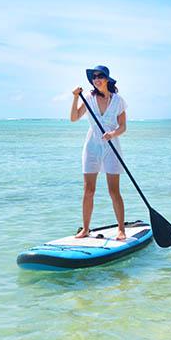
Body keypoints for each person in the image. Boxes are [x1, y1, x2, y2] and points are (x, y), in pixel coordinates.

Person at [70, 65, 128, 240]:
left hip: (111, 146)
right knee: (88, 190)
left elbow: (123, 126)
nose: (96, 79)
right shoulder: (87, 97)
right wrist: (74, 98)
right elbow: (73, 118)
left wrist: (113, 133)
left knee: (114, 191)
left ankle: (121, 229)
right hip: (92, 147)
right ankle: (86, 229)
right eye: (94, 77)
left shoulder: (118, 101)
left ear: (107, 79)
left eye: (100, 76)